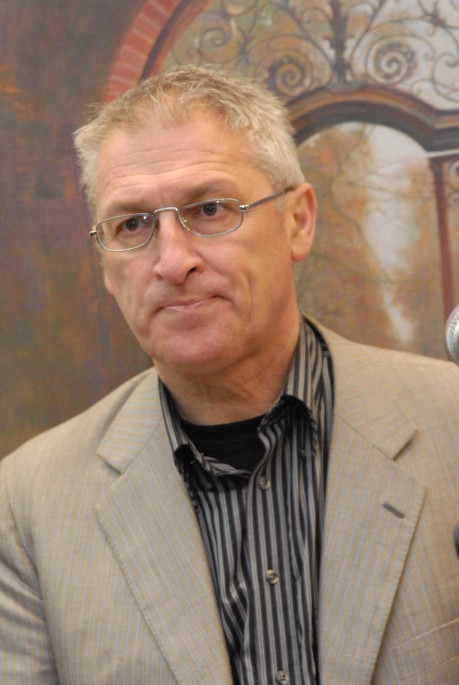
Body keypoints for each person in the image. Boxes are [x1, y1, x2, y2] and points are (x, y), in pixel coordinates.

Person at [1, 64, 458, 685]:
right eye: (132, 224)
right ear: (105, 265)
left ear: (297, 221)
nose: (172, 261)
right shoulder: (27, 503)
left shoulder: (451, 422)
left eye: (211, 208)